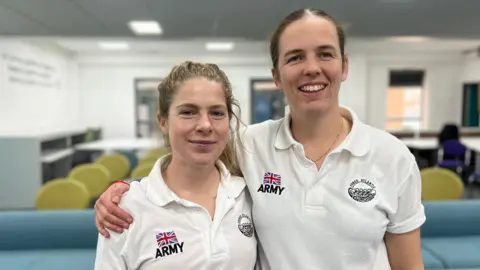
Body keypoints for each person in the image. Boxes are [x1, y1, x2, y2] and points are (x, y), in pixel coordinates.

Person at [94, 8, 426, 270]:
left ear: (344, 66)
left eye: (325, 54)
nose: (312, 68)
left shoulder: (392, 157)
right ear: (276, 76)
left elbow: (409, 264)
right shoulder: (250, 145)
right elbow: (188, 166)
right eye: (295, 57)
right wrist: (123, 191)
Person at [93, 61, 257, 270]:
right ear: (163, 121)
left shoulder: (249, 195)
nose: (205, 125)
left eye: (217, 113)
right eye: (188, 112)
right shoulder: (125, 210)